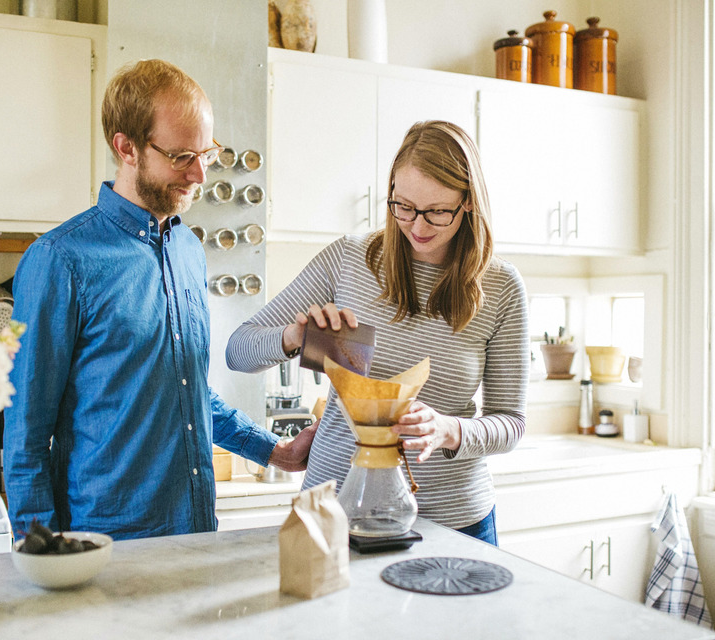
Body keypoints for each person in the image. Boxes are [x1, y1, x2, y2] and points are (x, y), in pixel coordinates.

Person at [4, 59, 314, 541]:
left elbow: (187, 393)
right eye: (181, 156)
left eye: (207, 154)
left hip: (194, 531)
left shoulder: (188, 250)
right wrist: (41, 557)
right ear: (125, 147)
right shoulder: (59, 260)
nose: (199, 175)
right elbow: (24, 437)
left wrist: (276, 451)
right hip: (106, 546)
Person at [226, 120, 528, 545]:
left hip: (453, 520)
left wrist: (449, 430)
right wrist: (293, 337)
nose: (417, 226)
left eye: (439, 211)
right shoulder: (350, 258)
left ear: (469, 203)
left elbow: (511, 422)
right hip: (333, 510)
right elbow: (238, 351)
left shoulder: (501, 287)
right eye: (402, 206)